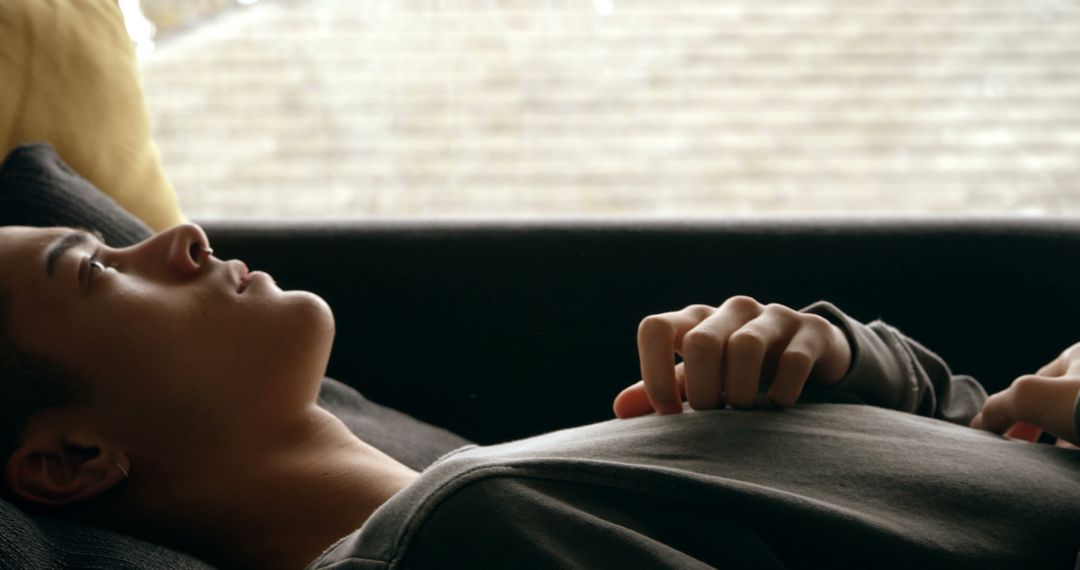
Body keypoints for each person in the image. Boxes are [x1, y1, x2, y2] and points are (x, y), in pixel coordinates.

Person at [1, 223, 1078, 569]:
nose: (177, 236)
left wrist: (840, 362)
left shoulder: (508, 488)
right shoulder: (468, 533)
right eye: (91, 268)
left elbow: (982, 443)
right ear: (70, 460)